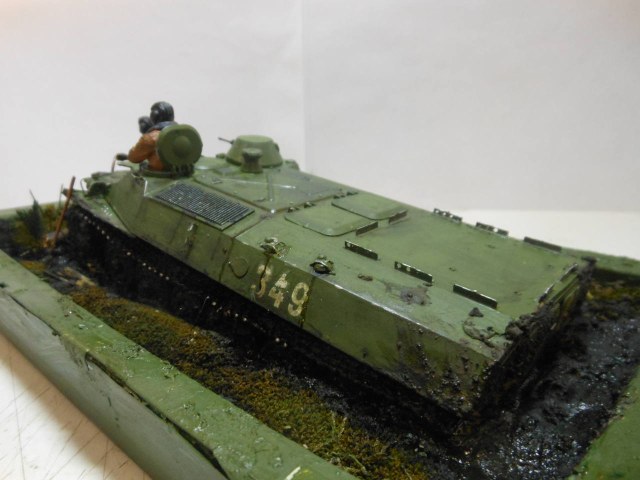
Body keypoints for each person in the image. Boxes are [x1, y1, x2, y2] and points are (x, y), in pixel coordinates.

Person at [128, 102, 176, 171]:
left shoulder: (151, 138)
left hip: (158, 173)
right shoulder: (183, 134)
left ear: (154, 117)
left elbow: (133, 158)